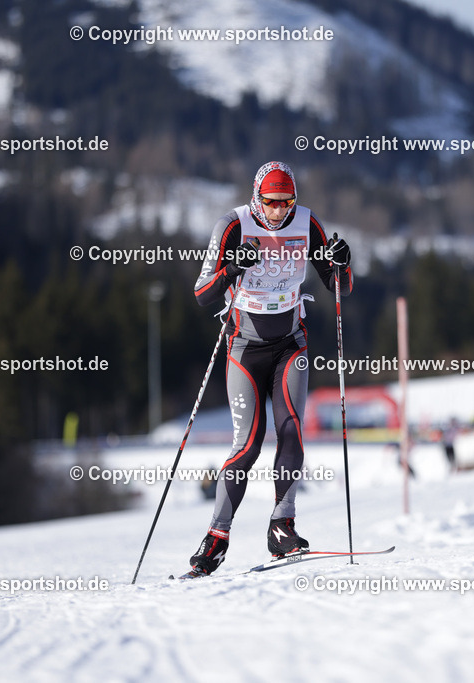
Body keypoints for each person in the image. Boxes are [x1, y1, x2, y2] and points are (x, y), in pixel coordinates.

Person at [186, 161, 353, 575]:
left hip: (290, 342)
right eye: (271, 203)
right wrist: (233, 268)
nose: (279, 211)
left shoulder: (306, 223)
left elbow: (338, 286)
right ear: (256, 198)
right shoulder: (233, 225)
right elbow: (203, 293)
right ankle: (216, 538)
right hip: (244, 347)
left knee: (292, 429)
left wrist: (342, 264)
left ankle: (282, 525)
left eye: (287, 202)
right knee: (247, 445)